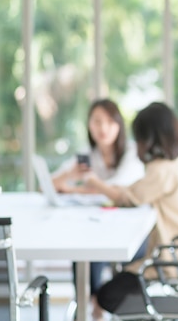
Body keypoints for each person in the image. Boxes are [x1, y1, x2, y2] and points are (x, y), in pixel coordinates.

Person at [86, 101, 178, 315]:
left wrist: (95, 182)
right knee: (125, 267)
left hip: (176, 261)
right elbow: (138, 190)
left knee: (107, 295)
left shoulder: (164, 169)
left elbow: (129, 198)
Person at [51, 98, 145, 320]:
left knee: (93, 251)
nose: (102, 128)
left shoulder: (131, 154)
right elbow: (49, 185)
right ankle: (91, 304)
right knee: (82, 250)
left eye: (109, 122)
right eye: (96, 122)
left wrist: (83, 186)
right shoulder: (86, 156)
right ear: (89, 126)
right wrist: (71, 176)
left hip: (129, 232)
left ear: (119, 125)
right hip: (96, 228)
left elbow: (118, 191)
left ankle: (98, 305)